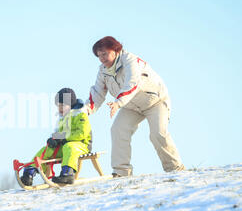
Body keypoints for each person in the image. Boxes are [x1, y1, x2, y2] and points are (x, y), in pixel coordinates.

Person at [87, 36, 185, 177]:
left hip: (155, 101)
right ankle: (121, 173)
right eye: (99, 55)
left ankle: (176, 169)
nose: (102, 58)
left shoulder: (130, 61)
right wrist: (84, 111)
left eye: (104, 54)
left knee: (157, 134)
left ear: (115, 50)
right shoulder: (103, 71)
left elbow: (132, 84)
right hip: (131, 106)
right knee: (118, 130)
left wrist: (118, 103)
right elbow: (97, 93)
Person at [21, 88, 92, 185]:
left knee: (69, 147)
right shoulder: (63, 118)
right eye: (58, 106)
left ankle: (68, 174)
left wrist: (64, 138)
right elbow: (59, 132)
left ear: (70, 104)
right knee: (48, 149)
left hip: (82, 145)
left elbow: (81, 133)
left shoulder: (80, 114)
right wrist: (54, 139)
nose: (60, 109)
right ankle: (29, 172)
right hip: (65, 146)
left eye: (62, 105)